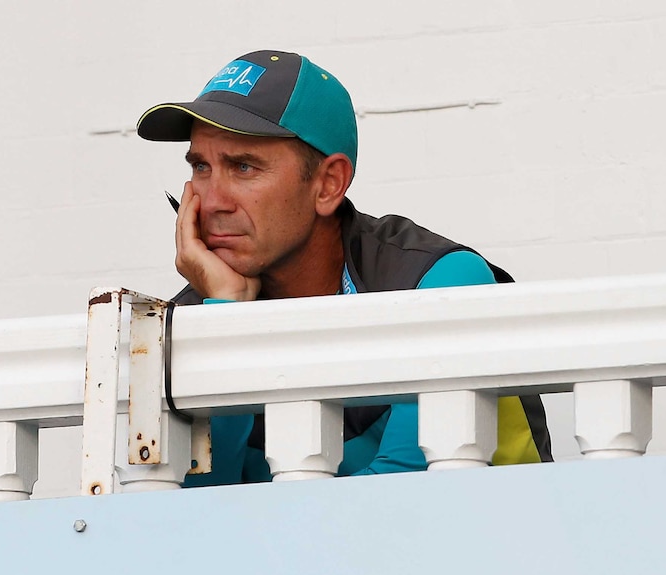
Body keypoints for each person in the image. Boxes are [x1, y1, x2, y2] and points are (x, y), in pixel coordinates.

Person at [136, 49, 552, 485]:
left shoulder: (438, 281)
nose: (213, 202)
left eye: (243, 166)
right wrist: (225, 314)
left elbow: (408, 496)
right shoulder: (190, 318)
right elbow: (193, 523)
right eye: (201, 166)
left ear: (328, 184)